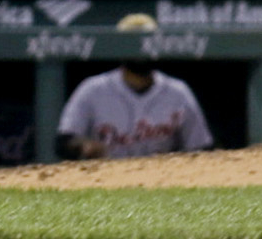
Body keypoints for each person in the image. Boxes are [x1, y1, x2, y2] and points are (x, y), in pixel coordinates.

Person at [60, 20, 215, 159]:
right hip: (106, 180)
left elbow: (201, 147)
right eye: (134, 42)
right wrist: (82, 146)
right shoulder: (92, 89)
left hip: (162, 181)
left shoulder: (178, 92)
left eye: (145, 41)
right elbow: (64, 141)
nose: (140, 50)